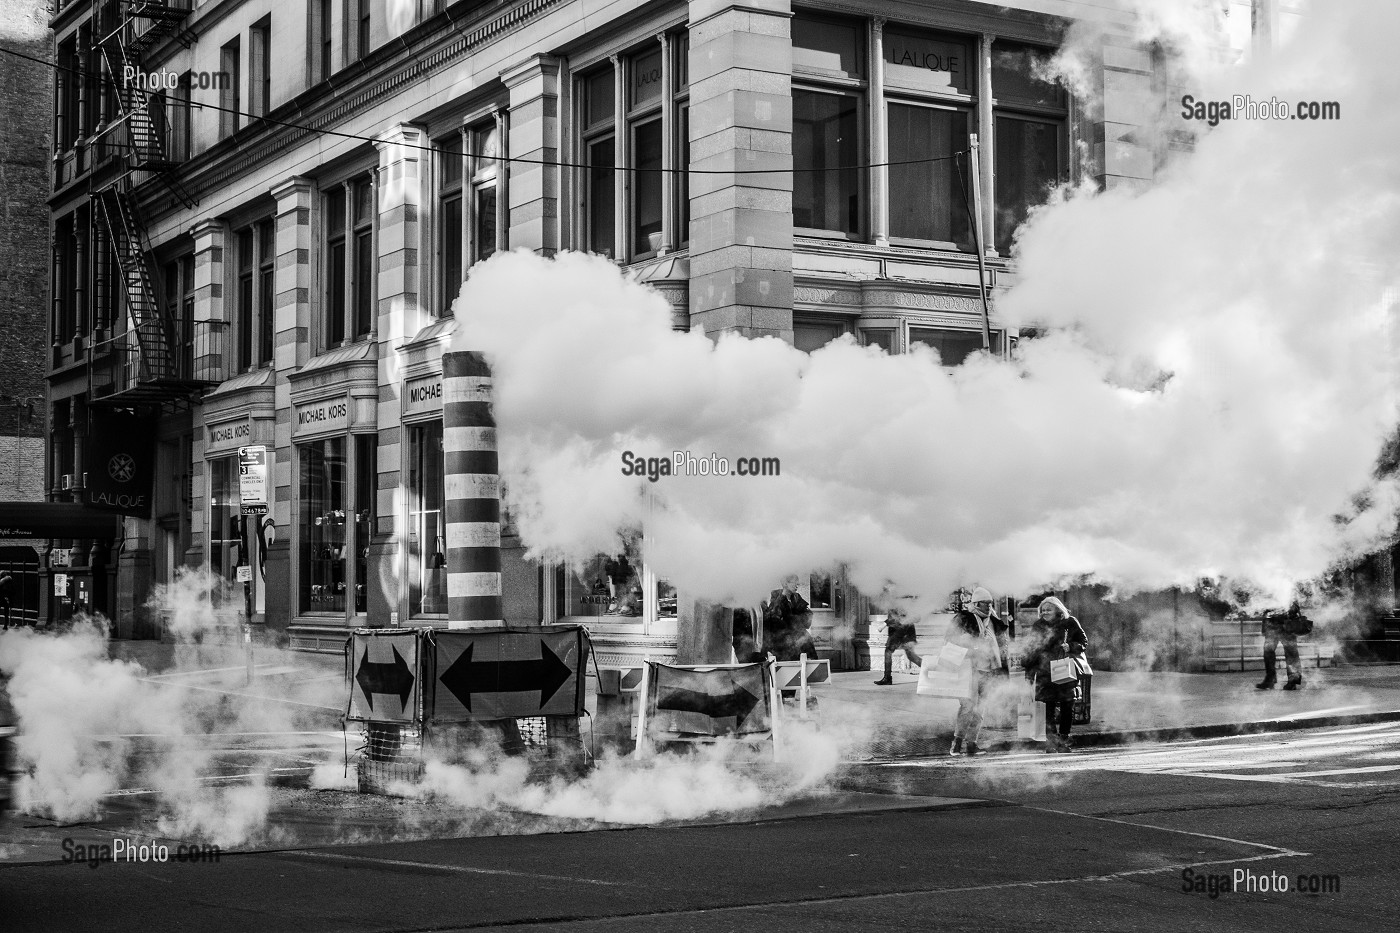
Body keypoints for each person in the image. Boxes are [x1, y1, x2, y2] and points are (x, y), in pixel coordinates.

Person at [946, 586, 1012, 755]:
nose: (989, 607)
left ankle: (971, 744)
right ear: (976, 603)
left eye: (991, 603)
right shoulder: (963, 619)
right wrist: (972, 648)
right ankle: (956, 743)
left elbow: (1003, 646)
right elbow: (950, 641)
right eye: (985, 603)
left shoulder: (995, 622)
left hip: (989, 670)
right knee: (967, 707)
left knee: (980, 708)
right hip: (969, 669)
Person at [1022, 596, 1088, 753]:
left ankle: (1063, 739)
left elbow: (1083, 642)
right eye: (1043, 610)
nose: (1045, 612)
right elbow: (1031, 650)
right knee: (1047, 708)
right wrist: (1029, 673)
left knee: (1067, 705)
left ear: (1058, 610)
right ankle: (1051, 742)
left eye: (1048, 609)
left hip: (1065, 669)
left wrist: (1071, 646)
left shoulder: (1070, 622)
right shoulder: (1038, 626)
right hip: (1044, 672)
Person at [762, 575, 816, 662]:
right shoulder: (777, 598)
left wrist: (792, 619)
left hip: (799, 639)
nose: (797, 586)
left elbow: (808, 615)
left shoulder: (796, 597)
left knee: (808, 660)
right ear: (785, 584)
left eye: (798, 583)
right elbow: (774, 620)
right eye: (794, 583)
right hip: (784, 642)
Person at [1258, 603, 1309, 690]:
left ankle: (1292, 681)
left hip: (1287, 624)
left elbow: (1295, 604)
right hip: (1272, 624)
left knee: (1291, 653)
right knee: (1268, 651)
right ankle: (1270, 679)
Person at [874, 603, 921, 685]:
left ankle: (887, 678)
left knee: (888, 651)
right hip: (905, 630)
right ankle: (930, 669)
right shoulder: (899, 595)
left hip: (900, 630)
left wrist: (884, 624)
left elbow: (899, 615)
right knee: (910, 655)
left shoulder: (897, 596)